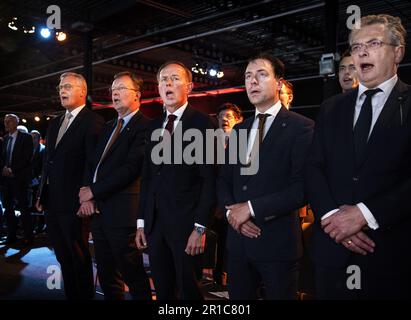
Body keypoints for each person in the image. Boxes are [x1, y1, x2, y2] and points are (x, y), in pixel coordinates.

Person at [305, 14, 411, 299]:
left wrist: (365, 214)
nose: (361, 51)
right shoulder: (331, 108)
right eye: (355, 46)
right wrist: (332, 219)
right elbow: (314, 168)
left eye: (373, 43)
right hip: (331, 252)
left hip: (389, 254)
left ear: (398, 52)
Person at [218, 53, 314, 299]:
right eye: (248, 77)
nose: (252, 82)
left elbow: (301, 188)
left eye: (261, 75)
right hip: (238, 244)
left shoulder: (301, 127)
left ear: (279, 83)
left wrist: (250, 208)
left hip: (277, 245)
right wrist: (232, 213)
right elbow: (224, 179)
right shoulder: (240, 130)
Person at [135, 60, 216, 300]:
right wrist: (141, 223)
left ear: (189, 87)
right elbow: (147, 177)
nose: (168, 83)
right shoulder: (152, 127)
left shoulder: (202, 124)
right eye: (163, 80)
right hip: (155, 225)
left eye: (174, 78)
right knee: (162, 289)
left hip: (186, 225)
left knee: (189, 289)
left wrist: (200, 227)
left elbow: (209, 180)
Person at [78, 71, 152, 300]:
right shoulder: (109, 126)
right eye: (113, 89)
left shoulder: (146, 126)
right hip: (100, 212)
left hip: (123, 214)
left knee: (133, 275)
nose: (115, 93)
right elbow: (94, 163)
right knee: (107, 273)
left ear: (137, 95)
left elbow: (131, 169)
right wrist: (88, 194)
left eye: (121, 88)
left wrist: (94, 190)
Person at [36, 72, 104, 300]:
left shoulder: (92, 121)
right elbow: (48, 162)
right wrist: (41, 194)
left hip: (75, 202)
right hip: (52, 201)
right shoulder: (55, 123)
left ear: (82, 91)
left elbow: (93, 163)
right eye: (59, 87)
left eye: (66, 86)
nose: (61, 90)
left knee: (78, 255)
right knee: (62, 255)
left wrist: (89, 197)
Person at [211, 102, 243, 285]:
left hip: (234, 204)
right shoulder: (208, 143)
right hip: (213, 203)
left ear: (238, 120)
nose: (224, 119)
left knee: (229, 242)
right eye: (221, 116)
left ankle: (226, 276)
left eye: (229, 116)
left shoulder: (244, 143)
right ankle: (217, 276)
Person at [1, 114, 33, 245]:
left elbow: (26, 158)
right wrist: (3, 168)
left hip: (19, 179)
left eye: (8, 121)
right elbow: (2, 157)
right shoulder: (5, 139)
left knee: (24, 209)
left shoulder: (25, 138)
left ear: (15, 123)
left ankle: (28, 237)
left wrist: (12, 169)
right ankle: (11, 235)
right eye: (5, 122)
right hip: (6, 180)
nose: (6, 124)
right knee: (8, 209)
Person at [30, 130, 46, 234]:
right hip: (30, 180)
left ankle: (41, 225)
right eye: (31, 137)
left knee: (39, 203)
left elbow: (44, 166)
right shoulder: (28, 149)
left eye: (35, 137)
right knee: (31, 205)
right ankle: (33, 225)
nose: (33, 139)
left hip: (39, 181)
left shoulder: (43, 149)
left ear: (39, 138)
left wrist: (39, 178)